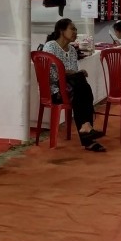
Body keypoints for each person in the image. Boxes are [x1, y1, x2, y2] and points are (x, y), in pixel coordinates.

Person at [42, 18, 106, 152]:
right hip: (56, 90)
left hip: (71, 88)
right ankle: (87, 136)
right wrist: (72, 73)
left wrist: (76, 73)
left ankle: (86, 128)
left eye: (76, 29)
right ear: (61, 30)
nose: (75, 32)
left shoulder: (71, 50)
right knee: (81, 87)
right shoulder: (50, 46)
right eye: (72, 29)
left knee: (82, 86)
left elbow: (73, 71)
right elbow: (51, 74)